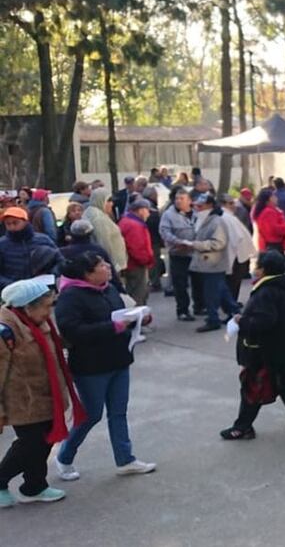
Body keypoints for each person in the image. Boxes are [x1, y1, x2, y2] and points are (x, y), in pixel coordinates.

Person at [54, 252, 156, 480]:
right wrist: (113, 327)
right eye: (101, 265)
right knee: (91, 414)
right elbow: (72, 331)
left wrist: (139, 320)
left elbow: (121, 317)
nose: (108, 267)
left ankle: (125, 459)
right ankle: (65, 457)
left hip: (119, 359)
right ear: (87, 274)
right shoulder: (70, 297)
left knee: (118, 412)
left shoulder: (108, 289)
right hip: (91, 366)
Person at [220, 251, 285, 439]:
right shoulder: (278, 286)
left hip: (266, 351)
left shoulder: (266, 292)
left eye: (256, 266)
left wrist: (242, 321)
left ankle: (243, 426)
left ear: (264, 270)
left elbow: (264, 321)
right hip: (281, 348)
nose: (253, 269)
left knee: (252, 387)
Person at [0, 279, 83, 506]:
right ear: (27, 307)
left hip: (46, 397)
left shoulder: (37, 322)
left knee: (45, 442)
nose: (49, 312)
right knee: (30, 444)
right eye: (46, 307)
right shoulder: (6, 331)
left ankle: (34, 486)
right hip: (22, 401)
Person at [186, 193, 239, 333]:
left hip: (213, 263)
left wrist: (195, 245)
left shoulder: (216, 221)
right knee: (221, 290)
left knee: (211, 293)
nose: (196, 208)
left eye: (200, 206)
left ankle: (213, 319)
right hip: (208, 263)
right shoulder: (202, 219)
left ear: (209, 205)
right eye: (196, 206)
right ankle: (234, 312)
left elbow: (219, 243)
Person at [161, 188, 201, 321]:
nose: (178, 201)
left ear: (189, 201)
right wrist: (178, 242)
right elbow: (165, 232)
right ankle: (183, 310)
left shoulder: (197, 213)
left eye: (182, 198)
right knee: (180, 284)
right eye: (177, 198)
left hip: (195, 253)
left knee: (198, 282)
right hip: (178, 254)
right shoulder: (168, 215)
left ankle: (199, 306)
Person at [0, 207, 58, 291]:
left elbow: (59, 261)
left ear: (25, 222)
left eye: (15, 222)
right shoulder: (2, 244)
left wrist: (52, 275)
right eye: (8, 224)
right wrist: (12, 285)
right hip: (15, 292)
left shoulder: (43, 239)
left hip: (43, 289)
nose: (12, 226)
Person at [117, 199, 154, 306]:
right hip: (136, 265)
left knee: (133, 291)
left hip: (131, 264)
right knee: (138, 294)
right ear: (141, 210)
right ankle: (137, 315)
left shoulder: (125, 221)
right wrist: (147, 261)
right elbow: (137, 247)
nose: (149, 214)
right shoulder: (135, 225)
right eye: (147, 210)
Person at [219, 194, 255, 304]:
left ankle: (232, 302)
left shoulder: (231, 216)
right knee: (231, 282)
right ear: (223, 204)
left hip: (238, 255)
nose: (233, 205)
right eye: (230, 203)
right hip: (233, 255)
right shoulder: (224, 217)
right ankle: (230, 303)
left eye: (233, 203)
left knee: (235, 281)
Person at [83, 187, 127, 272]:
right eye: (109, 200)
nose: (112, 204)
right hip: (110, 265)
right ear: (100, 200)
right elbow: (104, 243)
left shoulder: (94, 213)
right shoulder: (99, 219)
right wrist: (112, 266)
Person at [253, 189, 285, 254]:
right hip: (274, 244)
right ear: (268, 200)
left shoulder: (268, 210)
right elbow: (275, 229)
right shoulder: (269, 212)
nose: (276, 198)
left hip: (271, 244)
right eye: (273, 196)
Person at [142, 188, 165, 292]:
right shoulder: (152, 210)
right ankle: (155, 282)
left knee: (154, 262)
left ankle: (155, 282)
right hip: (153, 239)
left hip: (152, 239)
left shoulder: (150, 208)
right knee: (154, 262)